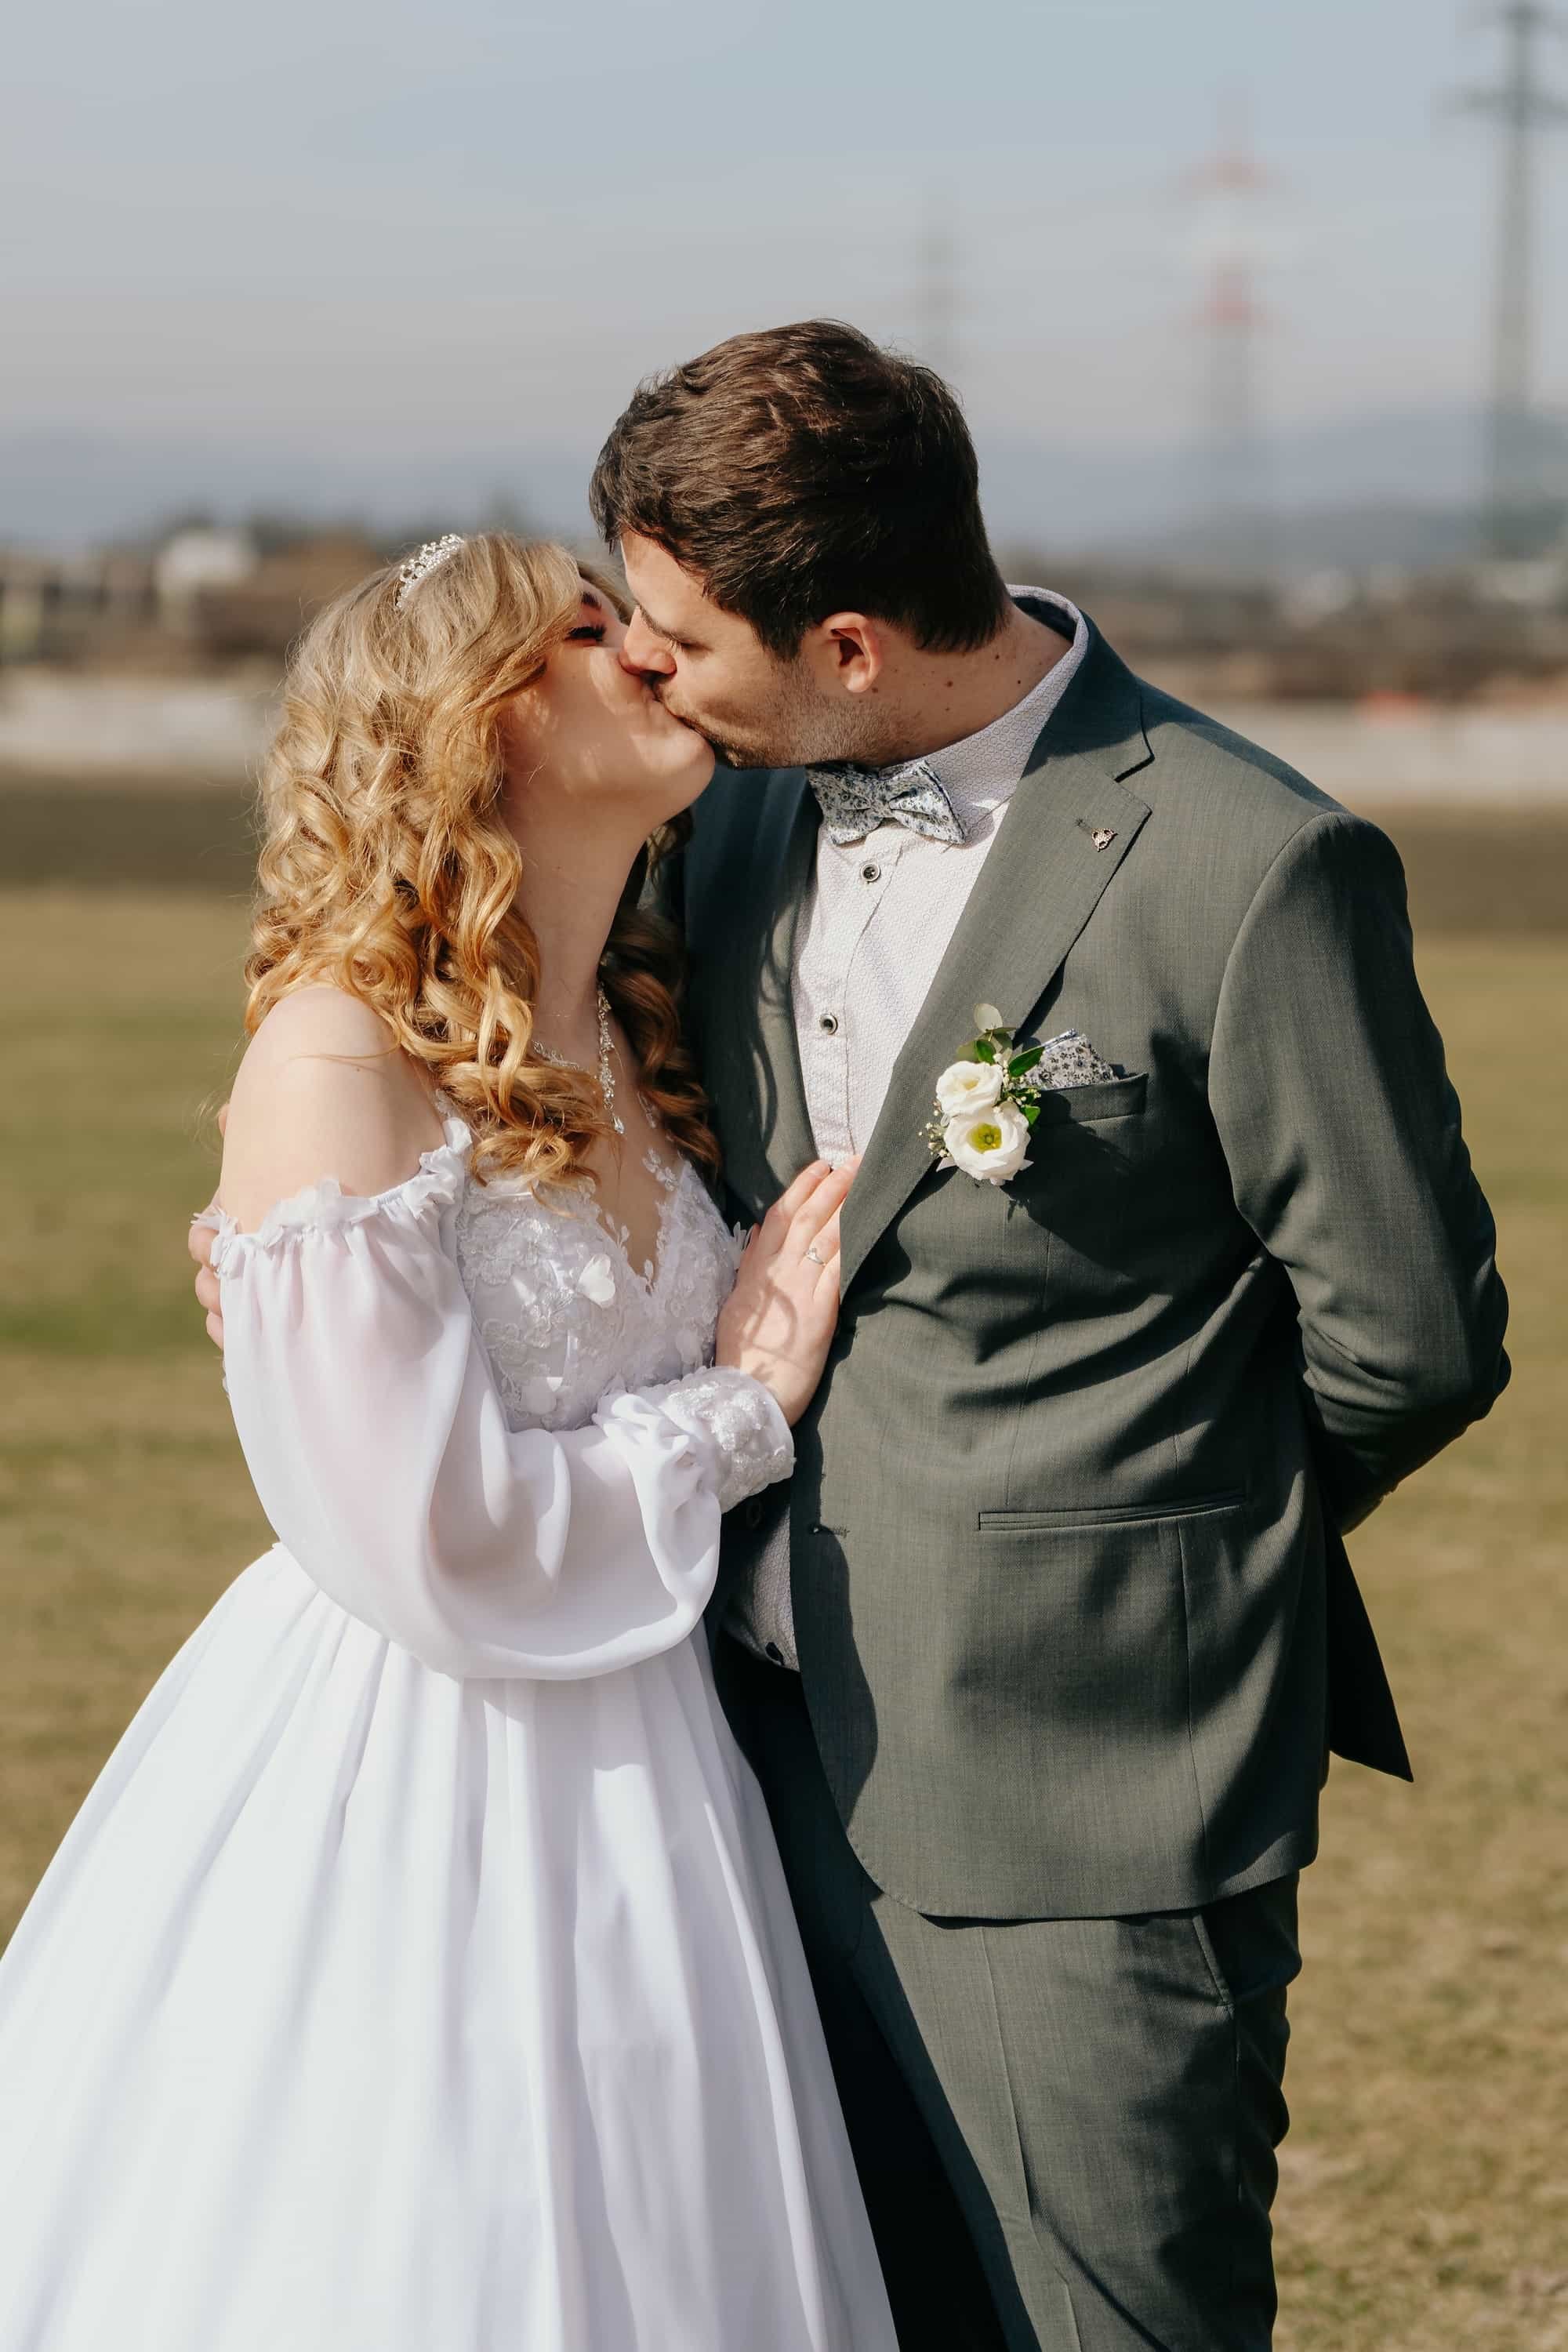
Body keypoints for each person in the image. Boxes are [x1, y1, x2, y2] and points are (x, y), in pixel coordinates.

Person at [572, 319, 1504, 2350]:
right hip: (728, 1758)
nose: (641, 672)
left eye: (673, 636)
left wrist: (1152, 1540)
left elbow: (1411, 1334)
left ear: (844, 644)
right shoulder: (728, 820)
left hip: (1090, 1791)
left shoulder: (1253, 867)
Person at [0, 532, 898, 2352]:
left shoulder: (649, 1038)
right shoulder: (335, 1060)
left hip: (653, 1763)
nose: (651, 654)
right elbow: (432, 1534)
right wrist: (739, 1405)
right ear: (482, 727)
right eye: (591, 631)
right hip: (418, 1768)